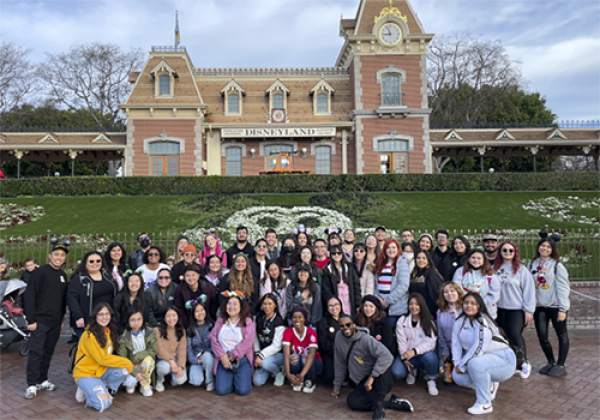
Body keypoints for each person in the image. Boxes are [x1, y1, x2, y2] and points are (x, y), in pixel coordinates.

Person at [331, 315, 413, 419]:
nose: (345, 328)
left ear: (354, 325)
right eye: (342, 326)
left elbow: (387, 356)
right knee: (352, 402)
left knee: (384, 367)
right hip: (362, 382)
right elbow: (339, 362)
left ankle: (379, 411)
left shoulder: (366, 339)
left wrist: (372, 377)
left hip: (377, 377)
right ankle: (389, 403)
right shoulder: (339, 337)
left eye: (348, 325)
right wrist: (336, 386)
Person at [452, 293, 516, 415]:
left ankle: (484, 403)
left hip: (504, 360)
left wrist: (463, 365)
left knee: (474, 363)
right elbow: (456, 344)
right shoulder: (459, 321)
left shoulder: (482, 321)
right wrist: (457, 364)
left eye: (473, 303)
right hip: (484, 360)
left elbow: (478, 347)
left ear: (479, 306)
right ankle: (489, 384)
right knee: (457, 376)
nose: (469, 306)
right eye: (466, 303)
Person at [23, 243, 69, 400]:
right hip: (40, 321)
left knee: (48, 351)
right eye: (56, 254)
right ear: (50, 255)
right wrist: (31, 320)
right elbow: (29, 297)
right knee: (36, 351)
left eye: (62, 255)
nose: (59, 258)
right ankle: (31, 384)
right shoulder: (40, 273)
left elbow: (62, 300)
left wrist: (62, 318)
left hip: (55, 322)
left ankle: (42, 380)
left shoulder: (63, 275)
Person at [72, 303, 136, 412]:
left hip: (101, 370)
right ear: (95, 316)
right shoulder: (89, 335)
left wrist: (126, 365)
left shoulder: (108, 331)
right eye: (100, 314)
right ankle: (88, 390)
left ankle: (102, 386)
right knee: (103, 404)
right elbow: (102, 359)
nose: (104, 317)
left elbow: (108, 357)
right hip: (85, 373)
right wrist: (127, 362)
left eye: (107, 314)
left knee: (124, 371)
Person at [528, 230, 570, 377]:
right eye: (542, 246)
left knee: (561, 334)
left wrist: (563, 309)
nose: (544, 249)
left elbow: (563, 287)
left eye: (548, 247)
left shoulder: (557, 266)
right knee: (542, 335)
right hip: (540, 307)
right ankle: (550, 361)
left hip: (555, 306)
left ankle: (561, 364)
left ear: (552, 250)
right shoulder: (532, 263)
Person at [493, 241, 536, 378]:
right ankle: (510, 362)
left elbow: (529, 291)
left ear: (515, 252)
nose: (507, 253)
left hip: (515, 309)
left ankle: (523, 362)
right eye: (504, 250)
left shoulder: (521, 270)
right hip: (499, 309)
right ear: (500, 252)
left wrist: (529, 310)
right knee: (503, 336)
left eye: (510, 250)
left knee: (514, 334)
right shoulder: (494, 268)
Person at [391, 293, 439, 396]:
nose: (414, 307)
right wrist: (404, 358)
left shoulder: (428, 321)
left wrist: (415, 351)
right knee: (397, 372)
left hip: (422, 355)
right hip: (407, 355)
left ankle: (431, 379)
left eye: (417, 304)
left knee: (431, 357)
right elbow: (401, 341)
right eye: (411, 304)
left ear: (422, 305)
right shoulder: (402, 320)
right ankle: (412, 371)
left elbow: (430, 343)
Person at [210, 291, 256, 396]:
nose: (232, 307)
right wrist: (223, 357)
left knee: (243, 391)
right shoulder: (220, 321)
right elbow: (213, 338)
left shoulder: (247, 321)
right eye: (229, 303)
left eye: (235, 304)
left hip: (241, 360)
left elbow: (248, 341)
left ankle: (238, 377)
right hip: (224, 360)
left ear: (241, 307)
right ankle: (229, 378)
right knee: (221, 391)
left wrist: (232, 355)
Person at [67, 251, 118, 338]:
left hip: (107, 320)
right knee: (91, 348)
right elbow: (71, 298)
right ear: (85, 262)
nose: (95, 263)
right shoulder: (80, 279)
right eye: (91, 261)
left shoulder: (107, 275)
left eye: (98, 261)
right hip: (88, 320)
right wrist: (78, 316)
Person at [283, 307, 323, 393]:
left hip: (314, 365)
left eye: (300, 317)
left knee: (306, 356)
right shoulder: (288, 332)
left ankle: (309, 380)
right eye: (294, 317)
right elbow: (286, 354)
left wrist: (302, 374)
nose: (297, 319)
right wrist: (288, 374)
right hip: (298, 364)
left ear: (305, 319)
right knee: (294, 356)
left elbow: (312, 355)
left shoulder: (311, 332)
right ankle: (296, 380)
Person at [118, 309, 157, 397]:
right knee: (130, 389)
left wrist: (136, 357)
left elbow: (153, 350)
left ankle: (145, 384)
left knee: (148, 360)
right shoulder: (124, 337)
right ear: (128, 321)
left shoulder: (149, 332)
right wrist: (135, 373)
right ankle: (134, 381)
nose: (137, 322)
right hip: (131, 365)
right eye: (133, 320)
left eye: (139, 319)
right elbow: (123, 358)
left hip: (145, 364)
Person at [453, 249, 500, 319]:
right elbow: (457, 288)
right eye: (473, 258)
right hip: (465, 310)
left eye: (479, 258)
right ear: (468, 259)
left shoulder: (490, 275)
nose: (476, 260)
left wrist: (479, 305)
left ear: (484, 260)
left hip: (486, 312)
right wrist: (469, 303)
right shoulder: (461, 272)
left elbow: (495, 293)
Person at [374, 239, 410, 327]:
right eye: (388, 248)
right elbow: (375, 284)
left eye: (394, 247)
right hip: (381, 305)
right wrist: (377, 299)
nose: (391, 250)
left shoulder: (402, 263)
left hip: (395, 307)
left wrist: (388, 301)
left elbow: (403, 285)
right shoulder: (380, 263)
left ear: (398, 249)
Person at [253, 293, 286, 387]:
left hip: (277, 354)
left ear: (275, 305)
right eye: (264, 303)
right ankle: (270, 370)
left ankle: (279, 371)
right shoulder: (259, 318)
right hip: (263, 353)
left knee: (265, 363)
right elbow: (255, 337)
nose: (267, 306)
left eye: (270, 304)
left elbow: (277, 346)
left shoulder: (279, 321)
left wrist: (261, 356)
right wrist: (257, 352)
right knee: (257, 382)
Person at [436, 282, 465, 384]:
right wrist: (445, 350)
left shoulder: (465, 308)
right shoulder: (441, 311)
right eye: (446, 292)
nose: (449, 294)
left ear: (458, 292)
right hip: (449, 346)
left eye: (452, 291)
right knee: (449, 374)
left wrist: (455, 315)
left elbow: (464, 329)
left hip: (464, 348)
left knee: (461, 378)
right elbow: (440, 332)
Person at [322, 244, 361, 317]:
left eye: (339, 253)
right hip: (337, 302)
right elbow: (326, 291)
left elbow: (356, 287)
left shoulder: (349, 268)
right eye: (334, 253)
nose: (336, 255)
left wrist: (358, 303)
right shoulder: (327, 270)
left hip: (350, 301)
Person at [154, 307, 187, 392]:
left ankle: (173, 378)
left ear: (178, 316)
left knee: (180, 380)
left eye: (174, 315)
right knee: (164, 367)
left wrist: (180, 366)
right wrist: (171, 361)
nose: (171, 319)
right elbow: (159, 349)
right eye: (168, 316)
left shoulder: (181, 331)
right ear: (164, 318)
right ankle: (159, 380)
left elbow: (182, 351)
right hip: (163, 359)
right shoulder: (157, 330)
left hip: (175, 359)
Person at [186, 297, 215, 391]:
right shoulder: (189, 329)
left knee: (207, 358)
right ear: (193, 314)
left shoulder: (212, 326)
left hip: (209, 356)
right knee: (196, 381)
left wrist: (207, 353)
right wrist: (195, 360)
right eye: (197, 311)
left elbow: (215, 345)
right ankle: (202, 373)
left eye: (202, 310)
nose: (200, 313)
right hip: (196, 358)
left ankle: (209, 381)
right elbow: (189, 349)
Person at [317, 296, 345, 385]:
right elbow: (323, 343)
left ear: (340, 305)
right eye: (330, 305)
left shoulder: (347, 319)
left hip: (346, 354)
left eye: (336, 304)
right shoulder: (323, 322)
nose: (334, 308)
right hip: (330, 354)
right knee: (329, 378)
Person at [409, 250, 443, 320]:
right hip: (416, 311)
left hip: (428, 313)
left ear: (428, 260)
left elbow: (435, 295)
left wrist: (430, 313)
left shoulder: (432, 274)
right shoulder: (415, 274)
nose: (421, 260)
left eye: (424, 258)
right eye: (418, 258)